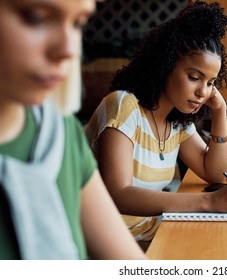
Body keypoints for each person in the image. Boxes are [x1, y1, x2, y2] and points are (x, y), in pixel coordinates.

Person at [85, 0, 227, 246]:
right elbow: (119, 194)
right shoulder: (124, 106)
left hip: (152, 230)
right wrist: (209, 202)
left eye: (210, 82)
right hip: (110, 241)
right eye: (194, 77)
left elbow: (215, 173)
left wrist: (220, 110)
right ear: (165, 66)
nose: (202, 91)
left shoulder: (177, 120)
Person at [0, 0, 146, 260]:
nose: (69, 49)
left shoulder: (59, 133)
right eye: (35, 17)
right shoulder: (121, 106)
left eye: (78, 23)